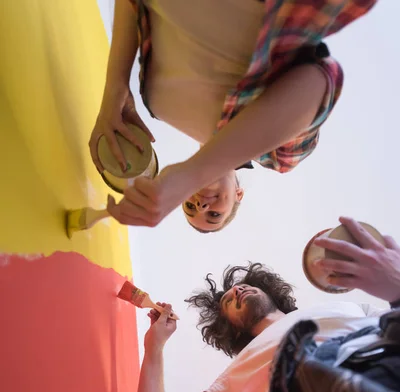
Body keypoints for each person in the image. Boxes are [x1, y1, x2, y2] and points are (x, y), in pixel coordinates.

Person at [90, 0, 377, 232]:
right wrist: (190, 175)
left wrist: (116, 86)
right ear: (238, 195)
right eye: (215, 214)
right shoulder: (278, 153)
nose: (201, 206)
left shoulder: (158, 108)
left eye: (189, 208)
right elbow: (323, 79)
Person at [136, 218, 400, 392]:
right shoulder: (238, 373)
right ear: (233, 330)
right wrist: (154, 347)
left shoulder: (351, 308)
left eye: (240, 286)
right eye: (229, 300)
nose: (236, 289)